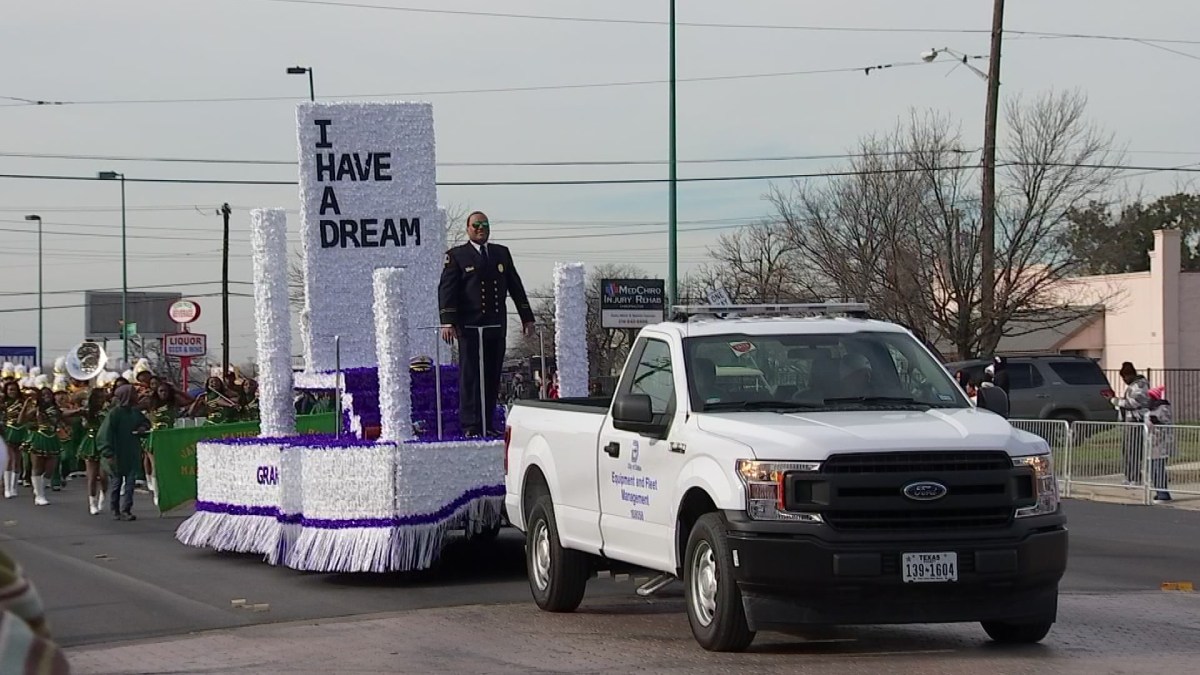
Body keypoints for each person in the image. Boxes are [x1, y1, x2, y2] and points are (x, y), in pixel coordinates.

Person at [438, 211, 535, 437]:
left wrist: (527, 317)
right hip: (470, 327)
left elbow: (515, 286)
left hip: (494, 326)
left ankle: (487, 423)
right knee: (471, 377)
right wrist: (447, 321)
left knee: (492, 376)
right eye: (476, 225)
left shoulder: (501, 253)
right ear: (468, 229)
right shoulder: (457, 256)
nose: (481, 228)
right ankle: (471, 425)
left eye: (484, 225)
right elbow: (446, 291)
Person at [97, 384, 150, 521]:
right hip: (117, 453)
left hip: (131, 452)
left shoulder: (134, 412)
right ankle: (115, 509)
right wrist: (108, 453)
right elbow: (104, 434)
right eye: (133, 393)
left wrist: (142, 428)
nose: (136, 395)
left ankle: (126, 509)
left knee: (130, 483)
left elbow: (145, 423)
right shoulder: (114, 413)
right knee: (116, 482)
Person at [1114, 362, 1150, 485]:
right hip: (1129, 422)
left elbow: (1133, 403)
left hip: (1136, 421)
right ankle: (1129, 476)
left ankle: (1135, 477)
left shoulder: (1140, 385)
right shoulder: (1133, 386)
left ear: (1129, 375)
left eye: (1124, 377)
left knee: (1134, 450)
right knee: (1127, 450)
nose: (1124, 380)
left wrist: (1115, 401)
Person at [1146, 386, 1174, 504]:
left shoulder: (1163, 408)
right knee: (1152, 469)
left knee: (1159, 468)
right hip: (1151, 443)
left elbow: (1166, 422)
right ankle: (1158, 491)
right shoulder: (1149, 409)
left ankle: (1163, 493)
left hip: (1161, 443)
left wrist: (1157, 421)